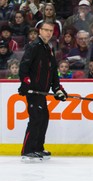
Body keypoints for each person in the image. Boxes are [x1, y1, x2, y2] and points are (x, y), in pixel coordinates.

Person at [18, 21, 68, 162]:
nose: (48, 33)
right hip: (33, 91)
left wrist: (58, 89)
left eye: (50, 31)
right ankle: (27, 151)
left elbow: (52, 71)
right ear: (40, 31)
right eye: (45, 30)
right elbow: (24, 66)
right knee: (36, 119)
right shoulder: (34, 47)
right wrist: (25, 83)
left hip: (42, 92)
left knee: (44, 118)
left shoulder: (49, 48)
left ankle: (38, 148)